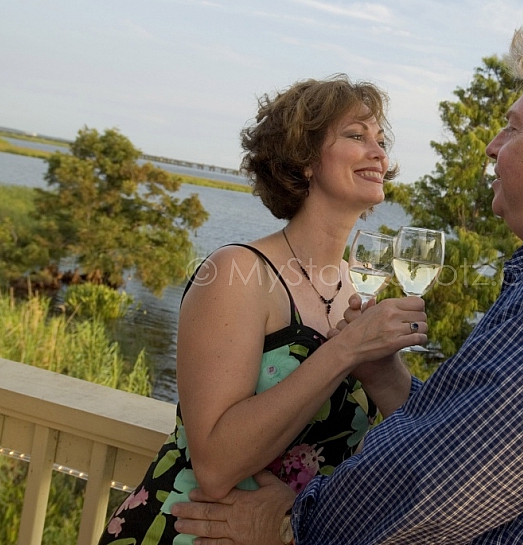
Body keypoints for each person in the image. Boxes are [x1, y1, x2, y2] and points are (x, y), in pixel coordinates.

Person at [172, 24, 523, 544]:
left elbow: (446, 479)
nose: (492, 147)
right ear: (304, 159)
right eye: (356, 136)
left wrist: (291, 525)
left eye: (513, 129)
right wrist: (380, 372)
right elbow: (459, 436)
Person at [97, 75, 428, 544]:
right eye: (357, 135)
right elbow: (215, 466)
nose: (379, 153)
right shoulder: (236, 272)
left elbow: (403, 442)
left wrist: (382, 365)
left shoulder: (361, 287)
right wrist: (346, 350)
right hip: (186, 530)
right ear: (305, 159)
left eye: (381, 141)